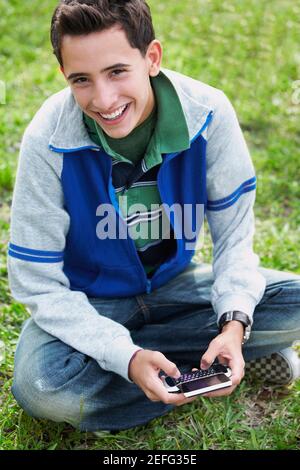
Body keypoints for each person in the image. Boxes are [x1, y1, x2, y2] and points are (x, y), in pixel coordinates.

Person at [8, 0, 300, 433]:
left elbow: (235, 241)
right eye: (81, 80)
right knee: (41, 387)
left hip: (176, 286)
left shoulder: (209, 115)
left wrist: (235, 323)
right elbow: (36, 282)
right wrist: (125, 355)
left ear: (152, 58)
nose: (103, 99)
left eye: (117, 72)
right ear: (64, 76)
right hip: (90, 299)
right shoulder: (47, 139)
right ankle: (199, 366)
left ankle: (222, 352)